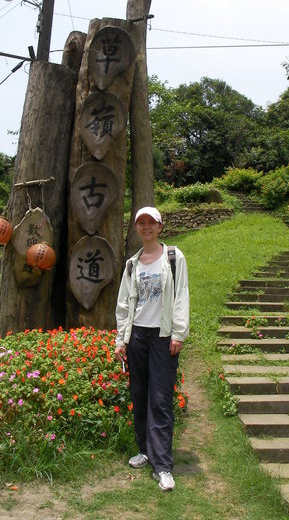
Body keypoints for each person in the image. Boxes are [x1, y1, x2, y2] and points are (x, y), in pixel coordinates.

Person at [114, 206, 190, 491]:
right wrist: (122, 339)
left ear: (160, 227)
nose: (146, 227)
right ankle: (145, 450)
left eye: (151, 223)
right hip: (138, 337)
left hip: (162, 335)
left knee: (160, 399)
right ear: (137, 228)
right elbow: (124, 305)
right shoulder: (133, 264)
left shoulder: (173, 257)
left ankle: (163, 465)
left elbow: (181, 295)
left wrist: (178, 333)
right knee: (140, 393)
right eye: (141, 223)